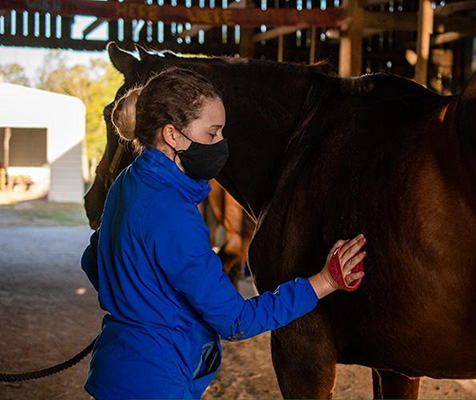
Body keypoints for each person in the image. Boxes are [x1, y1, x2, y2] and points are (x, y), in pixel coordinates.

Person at [80, 66, 367, 400]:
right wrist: (325, 281)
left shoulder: (128, 181)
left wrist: (138, 299)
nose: (220, 145)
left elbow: (94, 260)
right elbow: (235, 321)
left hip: (118, 369)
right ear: (173, 135)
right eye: (212, 133)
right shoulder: (174, 214)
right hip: (157, 381)